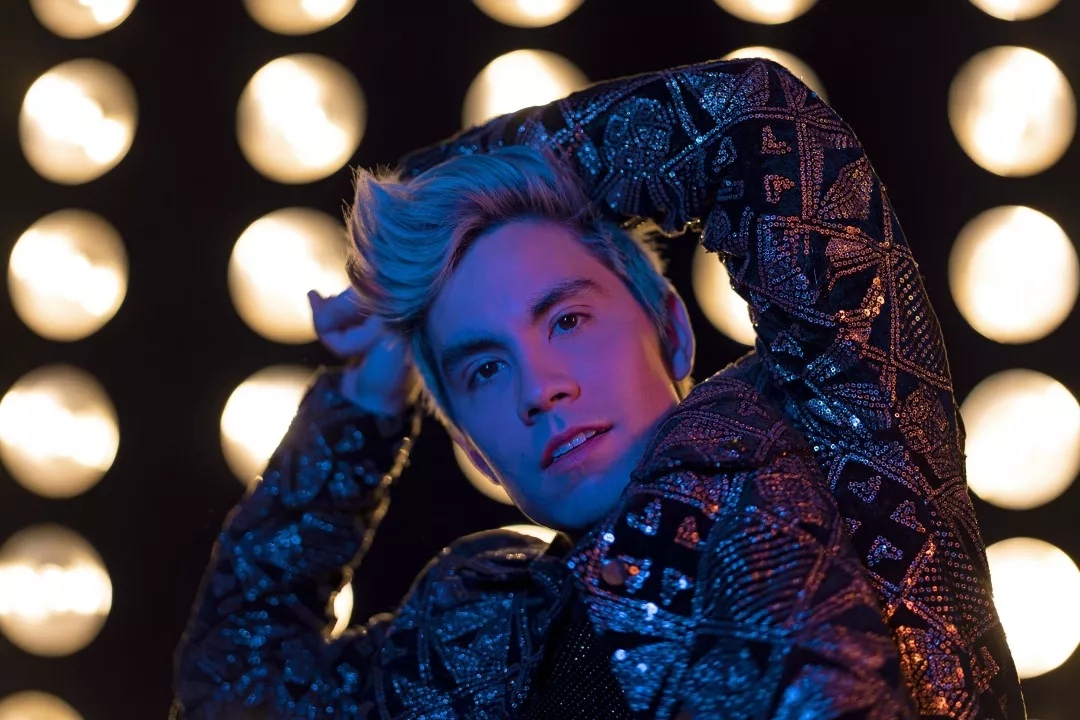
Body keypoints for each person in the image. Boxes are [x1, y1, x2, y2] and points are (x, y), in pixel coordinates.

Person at [173, 58, 1025, 719]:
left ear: (671, 327)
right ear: (472, 447)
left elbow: (754, 124)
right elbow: (230, 687)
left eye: (568, 320)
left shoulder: (835, 432)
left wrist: (421, 192)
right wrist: (366, 400)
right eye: (484, 367)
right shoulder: (468, 645)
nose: (539, 387)